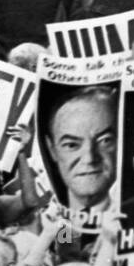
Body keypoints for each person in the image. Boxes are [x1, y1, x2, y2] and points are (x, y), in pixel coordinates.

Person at [43, 87, 118, 228]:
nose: (90, 158)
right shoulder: (53, 216)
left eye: (105, 141)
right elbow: (67, 247)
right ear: (52, 149)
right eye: (71, 145)